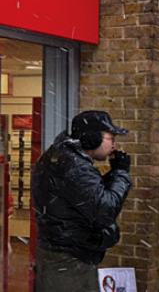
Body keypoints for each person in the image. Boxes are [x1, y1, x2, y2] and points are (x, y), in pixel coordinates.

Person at [32, 110, 132, 292]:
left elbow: (88, 197)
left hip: (63, 257)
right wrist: (121, 173)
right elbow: (104, 210)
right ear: (92, 138)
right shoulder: (75, 166)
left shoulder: (63, 158)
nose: (115, 145)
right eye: (111, 138)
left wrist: (114, 175)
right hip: (69, 263)